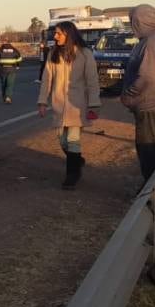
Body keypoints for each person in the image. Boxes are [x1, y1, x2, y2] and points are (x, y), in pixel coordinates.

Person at [37, 21, 101, 189]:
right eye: (55, 33)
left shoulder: (85, 53)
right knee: (62, 140)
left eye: (59, 33)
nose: (55, 36)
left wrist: (94, 104)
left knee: (73, 139)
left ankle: (72, 175)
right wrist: (42, 101)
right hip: (58, 105)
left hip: (77, 105)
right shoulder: (53, 54)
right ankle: (77, 159)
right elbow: (46, 79)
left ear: (69, 34)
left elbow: (92, 81)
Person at [120, 4, 155, 183]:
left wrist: (130, 94)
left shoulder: (152, 42)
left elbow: (146, 76)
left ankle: (152, 192)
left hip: (151, 104)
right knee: (151, 149)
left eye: (133, 22)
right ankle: (153, 188)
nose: (132, 26)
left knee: (148, 151)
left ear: (139, 21)